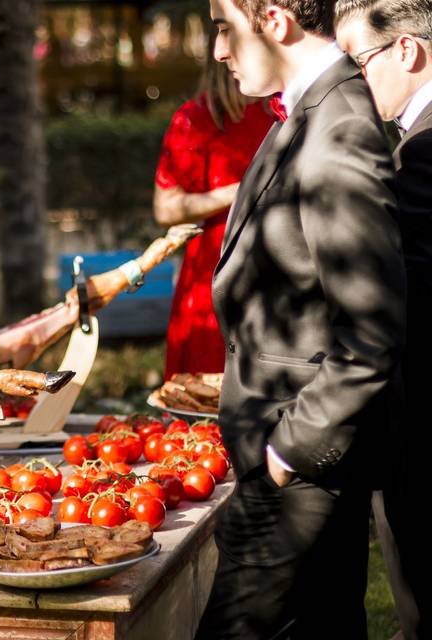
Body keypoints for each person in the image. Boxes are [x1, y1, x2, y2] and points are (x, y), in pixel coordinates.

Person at [196, 1, 407, 638]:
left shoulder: (337, 123)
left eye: (224, 29)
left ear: (275, 19)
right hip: (289, 462)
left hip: (300, 472)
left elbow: (370, 330)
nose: (218, 51)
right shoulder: (314, 109)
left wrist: (288, 452)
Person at [335, 3, 432, 638]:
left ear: (406, 51)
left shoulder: (424, 151)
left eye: (357, 62)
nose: (351, 81)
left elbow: (407, 298)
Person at [154, 36, 275, 380]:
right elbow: (166, 209)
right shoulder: (196, 118)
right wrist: (242, 191)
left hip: (275, 274)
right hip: (214, 277)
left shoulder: (286, 109)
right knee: (204, 405)